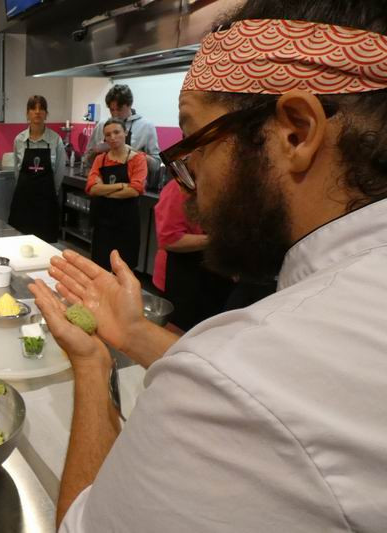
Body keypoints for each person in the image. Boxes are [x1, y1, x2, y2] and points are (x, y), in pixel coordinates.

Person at [30, 2, 387, 531]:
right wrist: (134, 332)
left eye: (196, 139)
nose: (189, 178)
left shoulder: (230, 386)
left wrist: (91, 366)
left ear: (296, 131)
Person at [153, 178, 234, 330]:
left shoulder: (225, 189)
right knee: (178, 330)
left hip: (214, 277)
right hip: (181, 275)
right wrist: (218, 239)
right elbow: (170, 240)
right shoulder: (179, 188)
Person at [86, 118, 147, 271]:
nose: (112, 137)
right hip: (103, 224)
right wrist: (120, 186)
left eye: (116, 132)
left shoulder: (137, 159)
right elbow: (92, 189)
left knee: (123, 269)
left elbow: (134, 190)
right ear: (104, 138)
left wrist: (104, 190)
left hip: (127, 225)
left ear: (125, 133)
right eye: (108, 134)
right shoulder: (100, 159)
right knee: (100, 268)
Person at [8, 95, 66, 243]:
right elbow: (17, 172)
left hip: (46, 205)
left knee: (46, 246)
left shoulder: (56, 140)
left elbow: (59, 172)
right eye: (33, 108)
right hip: (23, 203)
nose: (37, 112)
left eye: (42, 109)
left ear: (46, 114)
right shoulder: (19, 140)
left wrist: (50, 193)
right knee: (20, 243)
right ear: (27, 113)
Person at [84, 84, 160, 165]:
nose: (115, 114)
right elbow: (87, 160)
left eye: (119, 109)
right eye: (112, 110)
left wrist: (130, 151)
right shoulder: (101, 125)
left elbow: (156, 165)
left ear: (130, 105)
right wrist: (96, 152)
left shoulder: (146, 126)